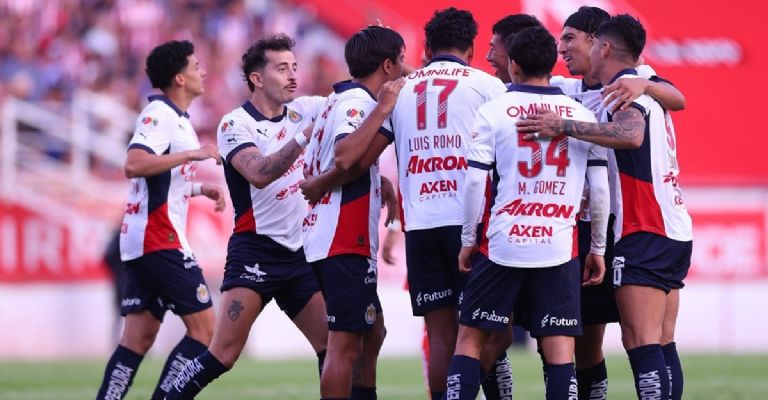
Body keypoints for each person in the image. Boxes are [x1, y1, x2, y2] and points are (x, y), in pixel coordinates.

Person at [516, 14, 693, 400]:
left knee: (642, 343)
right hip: (665, 224)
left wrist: (563, 126)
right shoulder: (576, 87)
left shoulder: (628, 85)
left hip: (640, 224)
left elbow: (632, 132)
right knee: (650, 341)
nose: (562, 48)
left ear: (601, 44)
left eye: (571, 39)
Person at [445, 25, 610, 399]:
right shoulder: (582, 115)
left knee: (470, 340)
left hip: (503, 243)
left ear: (513, 65)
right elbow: (599, 190)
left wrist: (468, 240)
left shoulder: (493, 111)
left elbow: (475, 183)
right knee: (559, 351)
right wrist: (598, 248)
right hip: (558, 246)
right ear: (552, 65)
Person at [164, 34, 329, 399]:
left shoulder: (306, 108)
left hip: (299, 254)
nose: (292, 75)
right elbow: (259, 172)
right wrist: (304, 137)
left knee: (331, 346)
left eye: (294, 67)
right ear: (257, 78)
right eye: (281, 68)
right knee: (223, 354)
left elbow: (356, 100)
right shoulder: (234, 124)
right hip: (256, 252)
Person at [95, 39, 225, 400]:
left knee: (137, 339)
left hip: (145, 239)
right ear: (179, 78)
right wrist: (193, 155)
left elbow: (160, 182)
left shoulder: (178, 119)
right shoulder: (160, 114)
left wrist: (198, 188)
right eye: (195, 66)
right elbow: (134, 164)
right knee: (205, 331)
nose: (202, 71)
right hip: (159, 238)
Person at [300, 25, 404, 400]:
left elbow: (345, 162)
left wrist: (379, 180)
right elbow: (345, 156)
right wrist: (384, 108)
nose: (404, 69)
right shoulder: (359, 103)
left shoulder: (337, 99)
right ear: (388, 66)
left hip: (330, 235)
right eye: (401, 61)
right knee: (343, 346)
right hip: (342, 237)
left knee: (373, 332)